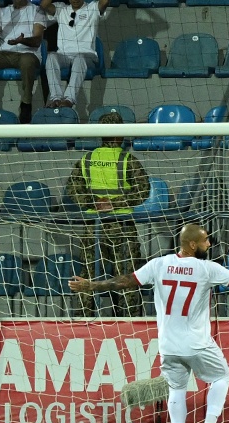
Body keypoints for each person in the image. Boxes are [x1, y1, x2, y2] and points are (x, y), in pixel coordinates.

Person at [69, 227, 229, 423]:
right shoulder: (206, 268)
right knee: (221, 376)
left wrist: (91, 286)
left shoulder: (159, 264)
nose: (209, 244)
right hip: (196, 343)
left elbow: (125, 281)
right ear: (192, 245)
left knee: (176, 389)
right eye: (205, 241)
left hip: (168, 345)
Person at [67, 111, 149, 317]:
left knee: (88, 273)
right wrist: (114, 203)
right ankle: (129, 321)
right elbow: (143, 191)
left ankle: (83, 320)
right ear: (120, 133)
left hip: (93, 227)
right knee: (127, 275)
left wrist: (94, 203)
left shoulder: (86, 160)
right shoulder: (127, 159)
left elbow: (73, 189)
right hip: (122, 226)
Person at [0, 0, 46, 123]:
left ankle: (26, 104)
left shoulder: (37, 10)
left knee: (27, 60)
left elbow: (37, 40)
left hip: (27, 54)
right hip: (4, 54)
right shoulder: (3, 12)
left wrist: (21, 41)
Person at [40, 0, 109, 109]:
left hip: (86, 56)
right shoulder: (61, 9)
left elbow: (104, 3)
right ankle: (56, 98)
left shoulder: (92, 8)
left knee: (79, 58)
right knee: (51, 56)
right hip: (64, 55)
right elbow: (44, 5)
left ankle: (69, 99)